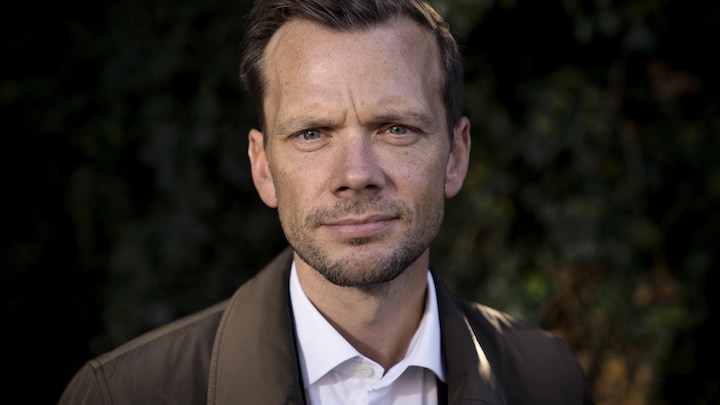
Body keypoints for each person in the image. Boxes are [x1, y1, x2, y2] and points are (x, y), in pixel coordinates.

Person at [59, 0, 594, 404]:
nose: (356, 175)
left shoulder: (548, 379)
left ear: (455, 155)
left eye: (396, 128)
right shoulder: (122, 394)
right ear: (263, 167)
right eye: (312, 133)